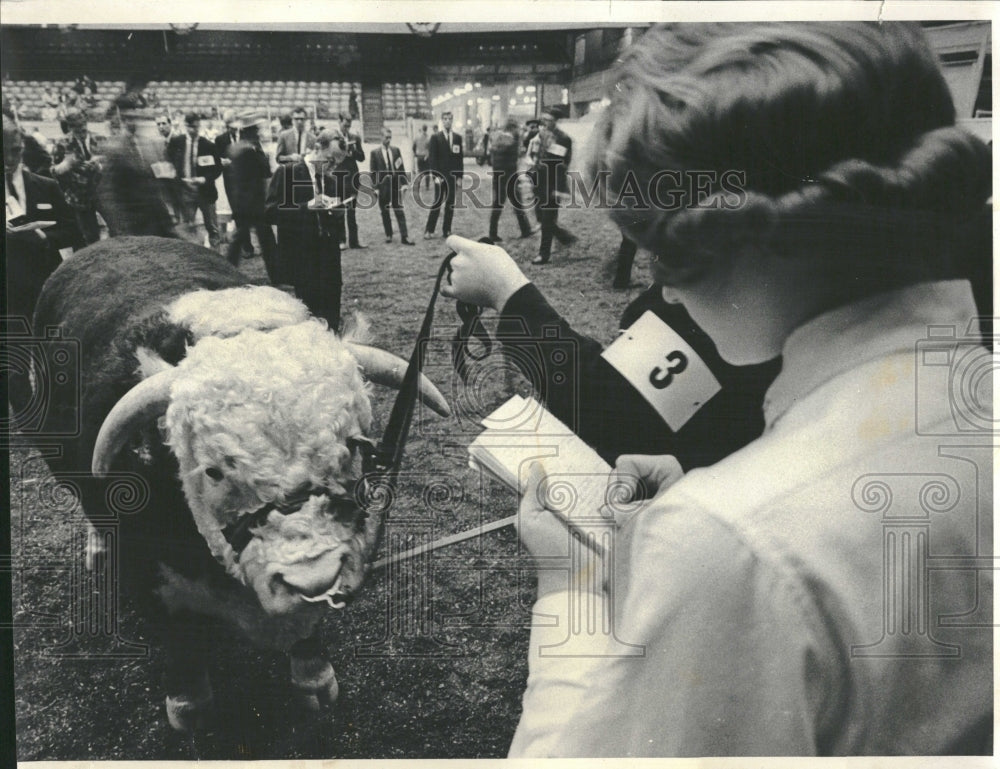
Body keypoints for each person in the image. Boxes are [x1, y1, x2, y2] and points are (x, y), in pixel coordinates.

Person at [457, 22, 993, 756]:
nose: (662, 295)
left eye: (661, 251)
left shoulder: (731, 544)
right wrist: (705, 476)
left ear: (737, 244)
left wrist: (574, 583)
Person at [265, 128, 346, 330]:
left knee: (331, 320)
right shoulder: (287, 172)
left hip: (329, 261)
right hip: (302, 260)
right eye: (329, 160)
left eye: (336, 163)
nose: (332, 167)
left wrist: (337, 213)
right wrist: (308, 206)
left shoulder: (331, 180)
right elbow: (270, 213)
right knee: (308, 321)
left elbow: (333, 221)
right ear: (317, 148)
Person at [96, 98, 177, 238]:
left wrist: (169, 218)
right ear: (120, 118)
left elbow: (160, 183)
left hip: (157, 221)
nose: (131, 121)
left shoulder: (150, 145)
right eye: (127, 118)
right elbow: (108, 194)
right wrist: (120, 229)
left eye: (134, 117)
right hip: (131, 226)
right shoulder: (113, 149)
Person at [225, 112, 278, 276]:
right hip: (253, 204)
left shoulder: (237, 148)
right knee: (266, 241)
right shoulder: (248, 150)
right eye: (255, 130)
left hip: (244, 204)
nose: (258, 132)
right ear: (249, 131)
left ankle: (227, 270)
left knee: (241, 240)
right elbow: (265, 171)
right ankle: (277, 274)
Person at [167, 112, 223, 250]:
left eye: (197, 127)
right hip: (184, 191)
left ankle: (217, 255)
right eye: (191, 127)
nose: (194, 130)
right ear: (185, 126)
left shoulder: (208, 145)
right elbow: (168, 161)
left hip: (205, 191)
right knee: (188, 226)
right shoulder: (176, 142)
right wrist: (173, 173)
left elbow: (217, 168)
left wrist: (204, 179)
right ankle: (192, 257)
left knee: (212, 226)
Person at [530, 105, 576, 264]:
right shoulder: (542, 136)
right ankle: (564, 237)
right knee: (542, 217)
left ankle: (544, 254)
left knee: (547, 218)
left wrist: (557, 188)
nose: (545, 123)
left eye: (549, 120)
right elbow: (536, 158)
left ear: (555, 121)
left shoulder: (562, 138)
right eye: (544, 119)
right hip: (540, 182)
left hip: (553, 183)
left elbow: (558, 164)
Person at [51, 107, 104, 244]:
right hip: (78, 197)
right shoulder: (62, 143)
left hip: (102, 193)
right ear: (70, 127)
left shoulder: (100, 138)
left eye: (83, 125)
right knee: (89, 237)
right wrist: (66, 165)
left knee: (117, 228)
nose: (82, 130)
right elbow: (53, 171)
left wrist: (99, 164)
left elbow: (111, 162)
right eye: (77, 127)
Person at [488, 116, 535, 242]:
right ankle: (526, 230)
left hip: (498, 176)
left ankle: (492, 232)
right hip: (509, 176)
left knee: (498, 205)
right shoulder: (512, 140)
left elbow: (493, 158)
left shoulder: (497, 139)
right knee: (517, 204)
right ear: (513, 127)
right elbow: (515, 156)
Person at [370, 126, 414, 246]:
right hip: (382, 186)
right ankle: (388, 234)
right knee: (385, 212)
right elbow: (373, 172)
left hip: (395, 185)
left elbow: (401, 168)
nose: (388, 140)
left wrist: (404, 183)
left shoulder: (396, 151)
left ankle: (405, 236)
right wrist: (375, 188)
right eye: (386, 137)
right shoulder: (375, 153)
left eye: (390, 138)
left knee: (399, 210)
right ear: (381, 138)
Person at [423, 110, 463, 239]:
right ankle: (429, 230)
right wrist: (435, 176)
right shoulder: (436, 137)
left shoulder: (457, 138)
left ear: (452, 120)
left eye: (449, 119)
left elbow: (459, 159)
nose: (447, 121)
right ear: (442, 121)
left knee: (450, 203)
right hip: (440, 176)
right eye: (445, 119)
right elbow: (432, 159)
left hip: (452, 177)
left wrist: (459, 177)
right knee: (437, 202)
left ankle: (447, 230)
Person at [333, 112, 366, 249]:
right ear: (339, 122)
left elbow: (362, 157)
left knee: (352, 211)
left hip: (352, 177)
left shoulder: (355, 137)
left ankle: (354, 241)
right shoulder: (333, 138)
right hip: (338, 177)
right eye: (345, 125)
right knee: (339, 209)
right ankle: (341, 240)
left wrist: (353, 152)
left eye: (349, 125)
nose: (347, 128)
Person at [412, 124, 431, 191]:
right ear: (426, 129)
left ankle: (418, 185)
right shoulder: (428, 138)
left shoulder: (417, 137)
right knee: (427, 172)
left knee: (420, 171)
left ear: (422, 129)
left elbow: (413, 146)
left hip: (419, 156)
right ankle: (427, 186)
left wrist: (415, 153)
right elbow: (430, 148)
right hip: (426, 156)